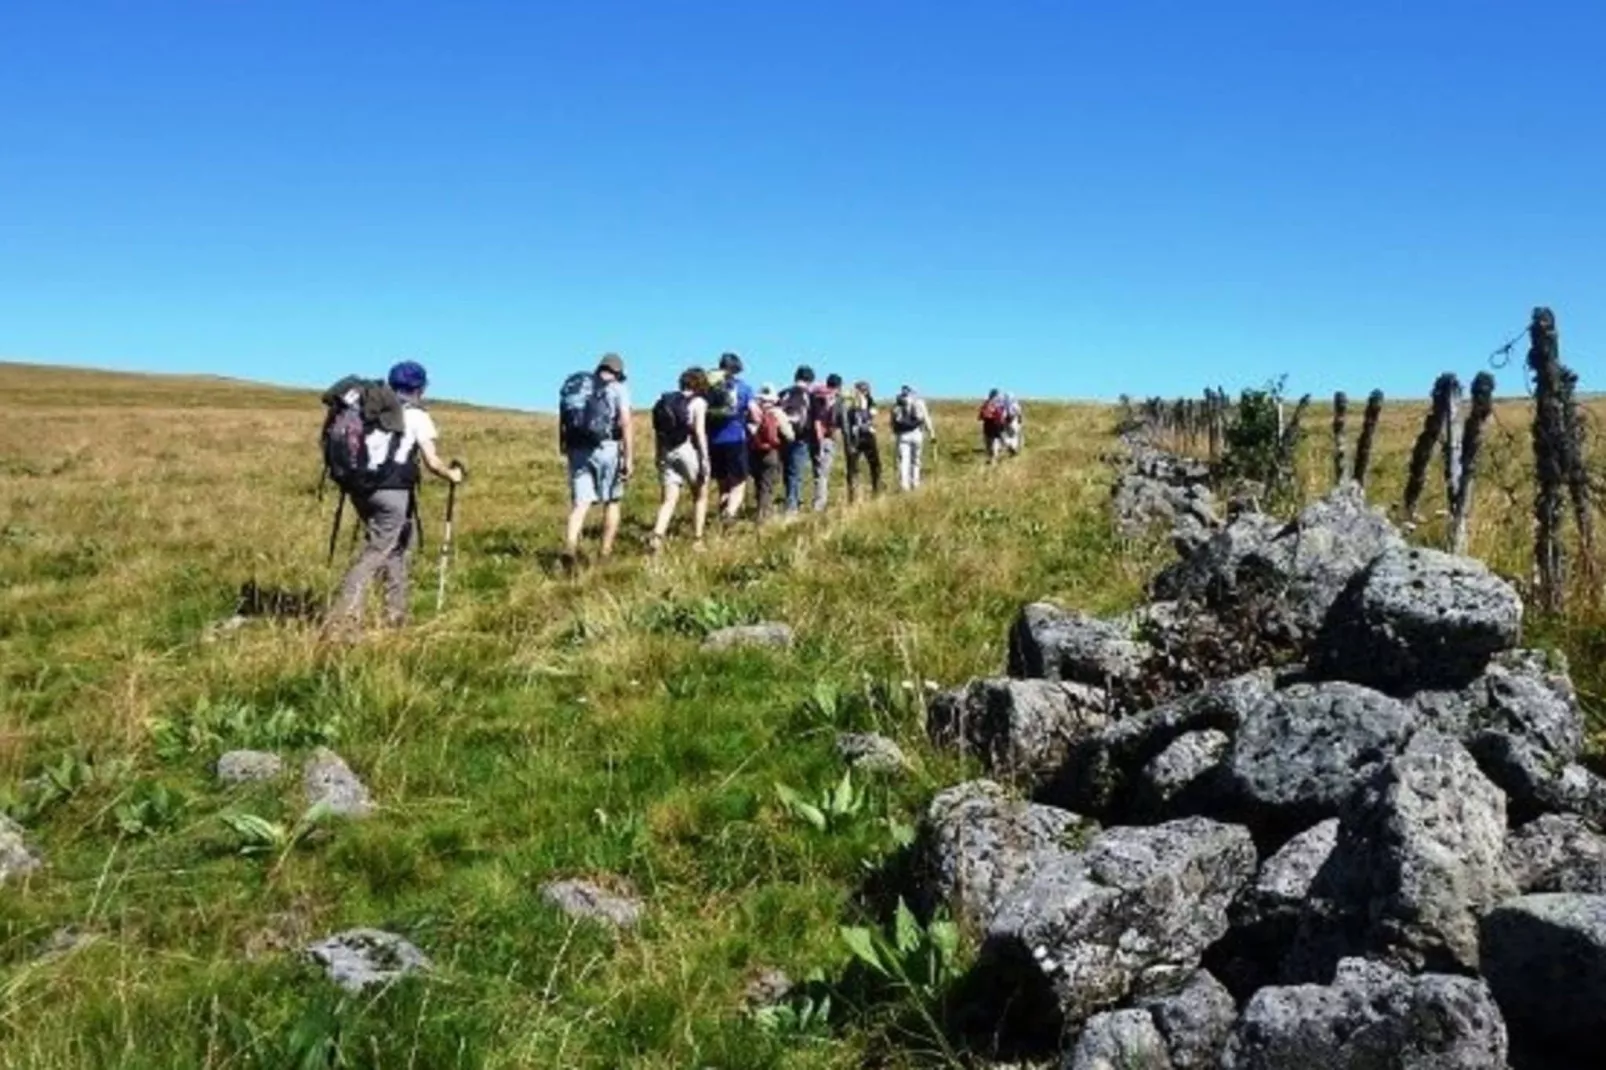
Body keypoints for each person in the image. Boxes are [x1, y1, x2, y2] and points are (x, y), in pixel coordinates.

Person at [330, 360, 463, 630]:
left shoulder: (373, 410)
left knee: (397, 549)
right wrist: (453, 475)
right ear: (421, 388)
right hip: (393, 493)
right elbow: (432, 462)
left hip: (361, 489)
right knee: (378, 552)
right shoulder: (416, 416)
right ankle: (342, 620)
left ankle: (395, 614)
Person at [560, 353, 633, 568]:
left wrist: (563, 446)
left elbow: (564, 420)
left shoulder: (577, 389)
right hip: (607, 448)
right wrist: (628, 458)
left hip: (577, 449)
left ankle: (570, 546)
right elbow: (626, 423)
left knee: (581, 503)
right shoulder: (619, 389)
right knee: (612, 501)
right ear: (617, 372)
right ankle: (605, 553)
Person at [648, 367, 712, 553]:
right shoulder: (698, 402)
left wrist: (658, 455)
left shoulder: (666, 401)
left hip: (667, 450)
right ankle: (697, 539)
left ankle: (657, 536)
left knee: (668, 499)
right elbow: (699, 432)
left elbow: (659, 432)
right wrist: (705, 459)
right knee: (700, 493)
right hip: (686, 449)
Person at [705, 352, 760, 525]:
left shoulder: (709, 388)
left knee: (723, 484)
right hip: (735, 438)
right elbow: (756, 414)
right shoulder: (743, 388)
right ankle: (729, 513)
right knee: (739, 482)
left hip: (713, 441)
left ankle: (722, 516)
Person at [747, 383, 794, 523]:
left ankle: (760, 511)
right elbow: (789, 435)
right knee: (767, 485)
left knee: (758, 484)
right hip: (772, 452)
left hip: (753, 452)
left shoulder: (751, 412)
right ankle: (764, 517)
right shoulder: (777, 413)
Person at [779, 365, 816, 516]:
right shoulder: (809, 394)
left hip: (783, 436)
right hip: (802, 437)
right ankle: (793, 505)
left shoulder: (784, 393)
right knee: (796, 472)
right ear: (810, 379)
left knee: (787, 470)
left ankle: (792, 499)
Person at [806, 372, 845, 511]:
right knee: (823, 474)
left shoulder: (814, 396)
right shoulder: (837, 399)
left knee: (818, 472)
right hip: (827, 438)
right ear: (839, 386)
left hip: (812, 438)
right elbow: (840, 421)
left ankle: (818, 501)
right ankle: (819, 505)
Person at [891, 384, 936, 491]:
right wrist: (932, 433)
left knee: (903, 461)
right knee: (916, 460)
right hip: (917, 434)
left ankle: (904, 486)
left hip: (903, 435)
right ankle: (915, 484)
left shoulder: (897, 405)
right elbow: (926, 418)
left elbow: (893, 423)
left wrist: (895, 435)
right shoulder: (919, 402)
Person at [843, 379, 882, 502]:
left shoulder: (869, 401)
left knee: (872, 464)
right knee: (854, 466)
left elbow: (873, 413)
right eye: (862, 389)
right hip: (859, 436)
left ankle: (875, 489)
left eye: (864, 390)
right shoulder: (850, 403)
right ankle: (854, 494)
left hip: (861, 436)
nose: (863, 392)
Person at [979, 388, 1024, 464]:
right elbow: (1003, 414)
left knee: (991, 443)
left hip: (989, 426)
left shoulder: (987, 403)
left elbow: (981, 416)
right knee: (1001, 440)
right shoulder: (1000, 403)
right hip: (998, 425)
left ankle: (993, 458)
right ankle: (1010, 449)